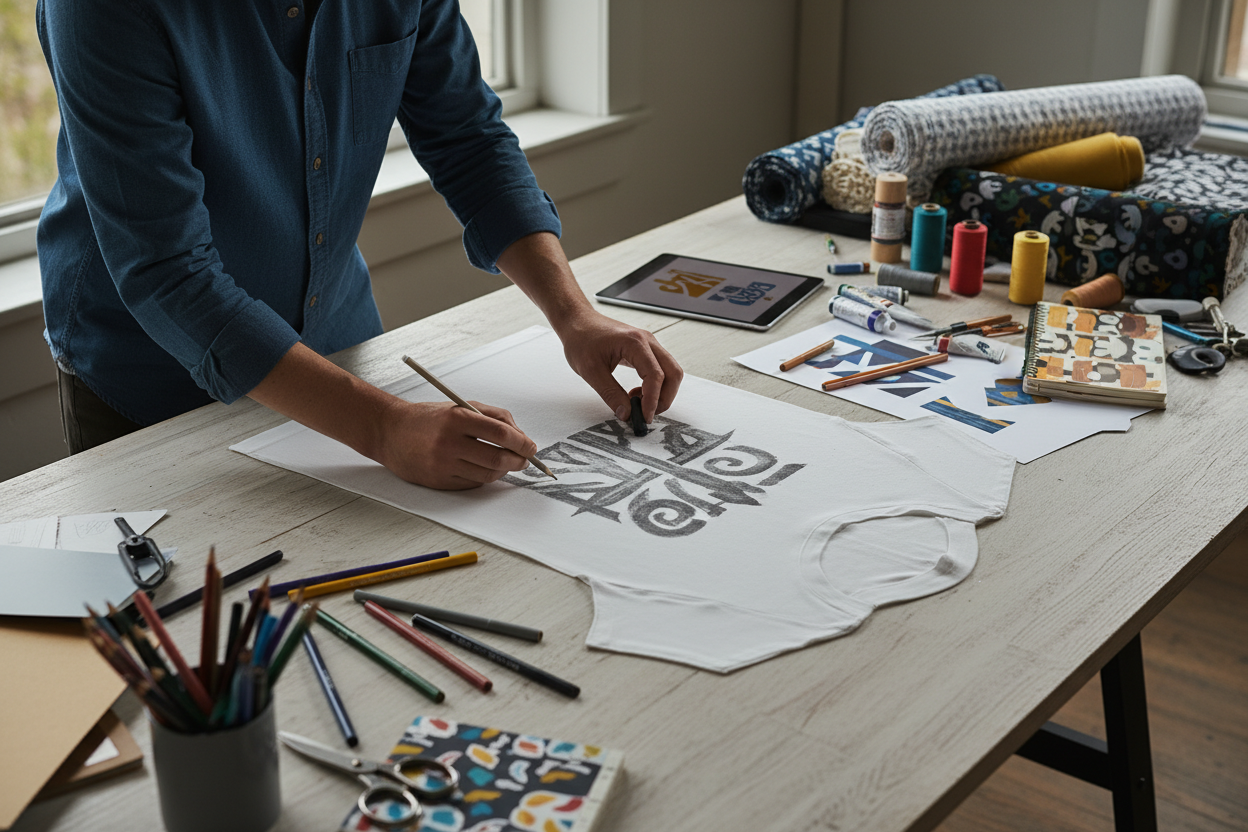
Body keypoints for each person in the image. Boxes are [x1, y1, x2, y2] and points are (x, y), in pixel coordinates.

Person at [35, 0, 682, 490]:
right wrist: (383, 427)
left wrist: (575, 316)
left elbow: (469, 140)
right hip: (148, 377)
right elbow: (169, 275)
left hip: (337, 341)